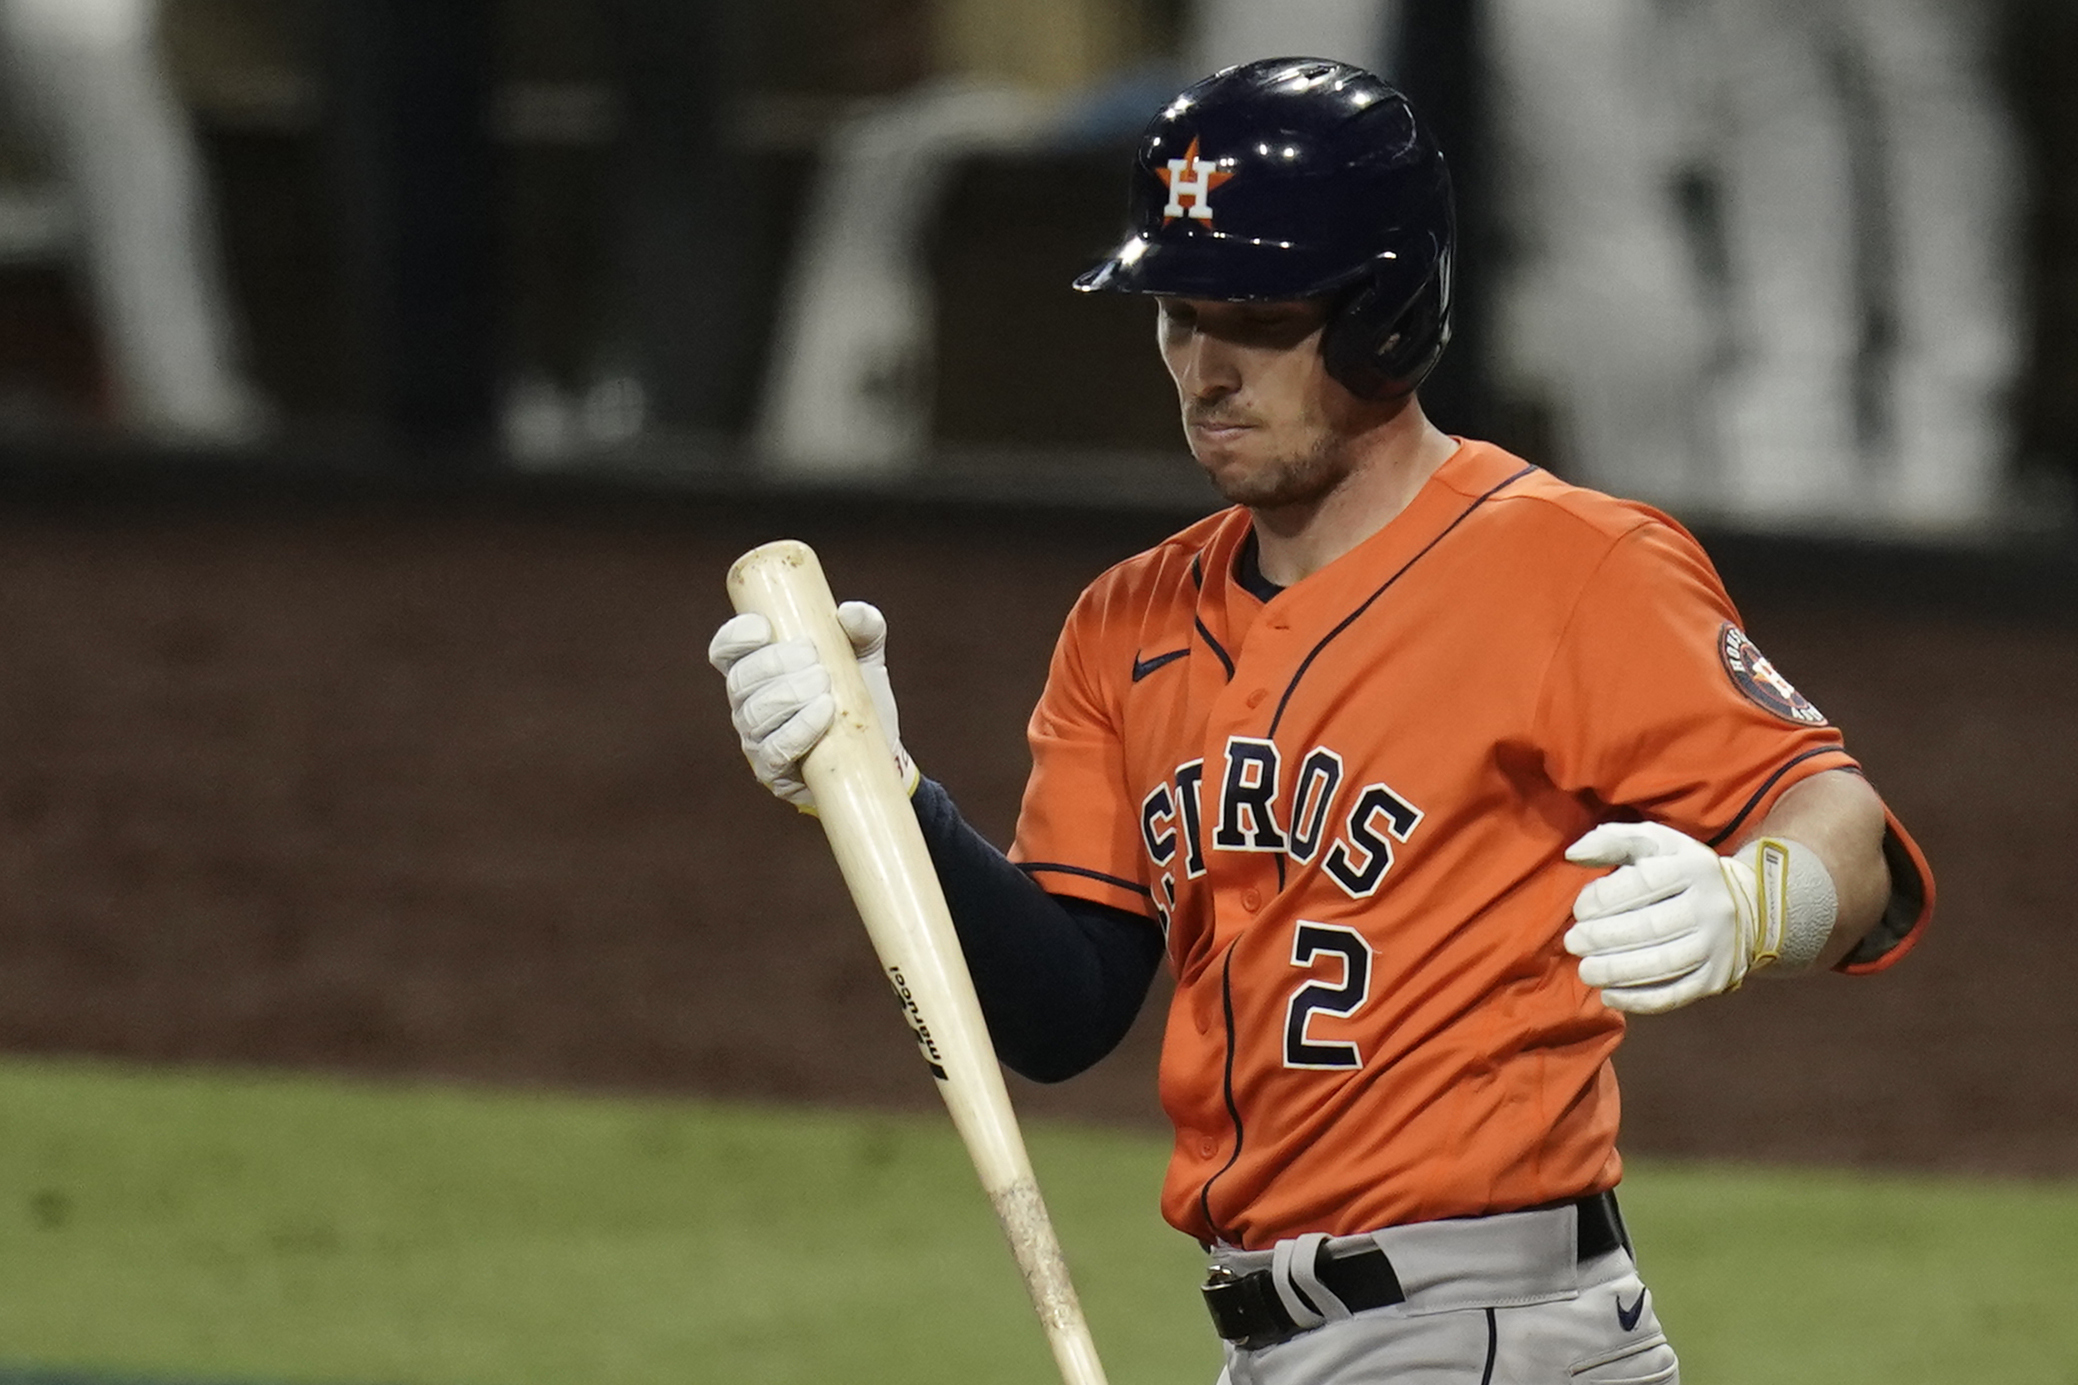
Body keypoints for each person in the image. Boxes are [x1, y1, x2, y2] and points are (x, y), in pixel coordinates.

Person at [711, 58, 1934, 1384]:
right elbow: (1061, 1008)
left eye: (1253, 313)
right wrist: (884, 791)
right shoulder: (1124, 624)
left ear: (1385, 315)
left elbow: (1851, 842)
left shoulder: (1568, 567)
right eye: (1177, 312)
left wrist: (1751, 900)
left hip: (1486, 1332)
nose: (1204, 366)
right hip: (1288, 1344)